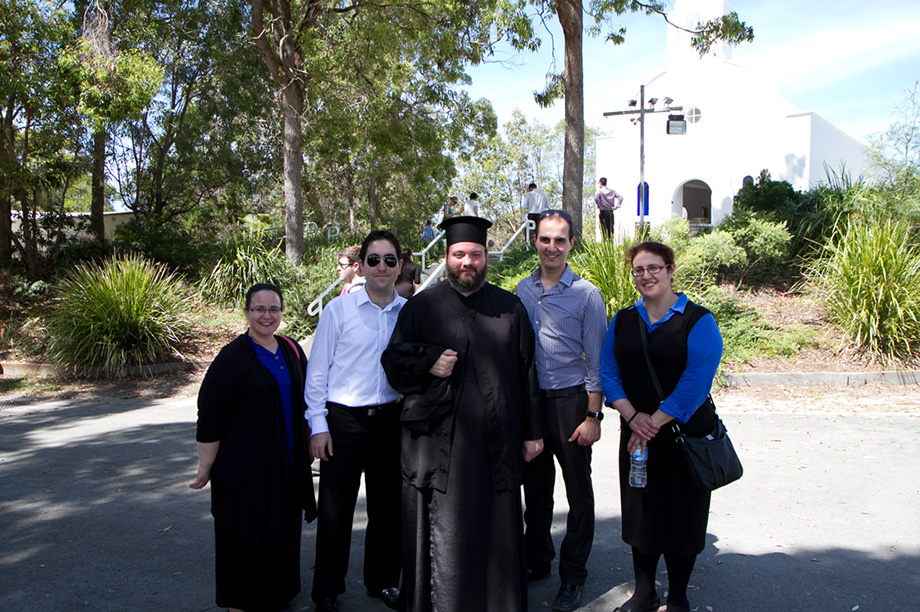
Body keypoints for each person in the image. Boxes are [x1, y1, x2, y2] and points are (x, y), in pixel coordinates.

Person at [381, 215, 544, 612]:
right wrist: (430, 361)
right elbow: (393, 362)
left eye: (475, 254)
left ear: (486, 257)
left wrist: (533, 433)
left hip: (496, 443)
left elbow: (528, 374)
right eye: (458, 254)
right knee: (445, 529)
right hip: (438, 446)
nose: (466, 262)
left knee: (496, 529)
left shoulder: (510, 308)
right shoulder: (422, 307)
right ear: (446, 256)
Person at [599, 241, 723, 612]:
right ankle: (644, 592)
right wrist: (631, 415)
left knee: (683, 513)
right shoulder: (623, 319)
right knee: (640, 510)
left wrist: (651, 421)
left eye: (654, 268)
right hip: (637, 433)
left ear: (670, 270)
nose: (646, 275)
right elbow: (608, 371)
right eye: (639, 270)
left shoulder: (698, 320)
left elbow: (697, 380)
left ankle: (678, 596)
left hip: (683, 435)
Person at [191, 283, 316, 612]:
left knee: (281, 529)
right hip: (244, 469)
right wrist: (206, 465)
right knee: (245, 534)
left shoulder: (290, 349)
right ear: (246, 312)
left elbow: (307, 401)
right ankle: (242, 603)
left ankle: (276, 595)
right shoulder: (233, 357)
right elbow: (210, 411)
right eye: (259, 309)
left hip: (286, 463)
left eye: (273, 309)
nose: (266, 315)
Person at [306, 231, 407, 612]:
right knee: (336, 509)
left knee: (387, 509)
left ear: (399, 266)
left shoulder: (407, 311)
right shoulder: (338, 310)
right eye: (374, 259)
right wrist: (318, 425)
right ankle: (327, 589)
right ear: (362, 265)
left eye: (390, 260)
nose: (382, 266)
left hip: (389, 422)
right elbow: (317, 373)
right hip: (343, 422)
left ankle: (382, 581)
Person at [516, 210, 607, 612]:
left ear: (571, 244)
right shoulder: (522, 289)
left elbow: (596, 362)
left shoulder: (586, 294)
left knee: (578, 493)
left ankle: (573, 576)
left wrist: (593, 417)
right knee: (535, 492)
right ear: (535, 241)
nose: (551, 247)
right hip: (533, 405)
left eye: (560, 240)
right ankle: (537, 560)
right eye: (545, 239)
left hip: (572, 404)